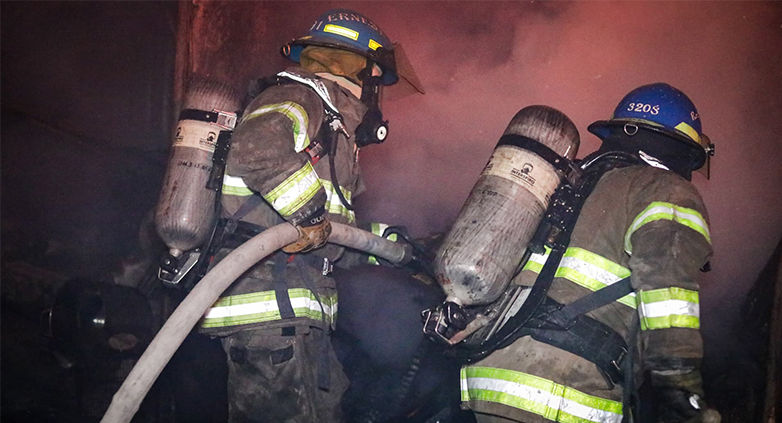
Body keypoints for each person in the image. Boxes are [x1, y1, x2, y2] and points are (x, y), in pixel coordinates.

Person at [197, 9, 423, 423]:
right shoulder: (300, 97)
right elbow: (257, 148)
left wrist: (398, 250)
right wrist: (310, 212)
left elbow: (337, 235)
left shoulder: (331, 128)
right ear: (367, 73)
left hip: (298, 311)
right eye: (377, 81)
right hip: (267, 310)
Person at [459, 83, 719, 423]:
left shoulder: (571, 182)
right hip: (565, 390)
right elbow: (668, 292)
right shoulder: (667, 190)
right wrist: (680, 388)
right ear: (685, 148)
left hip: (491, 376)